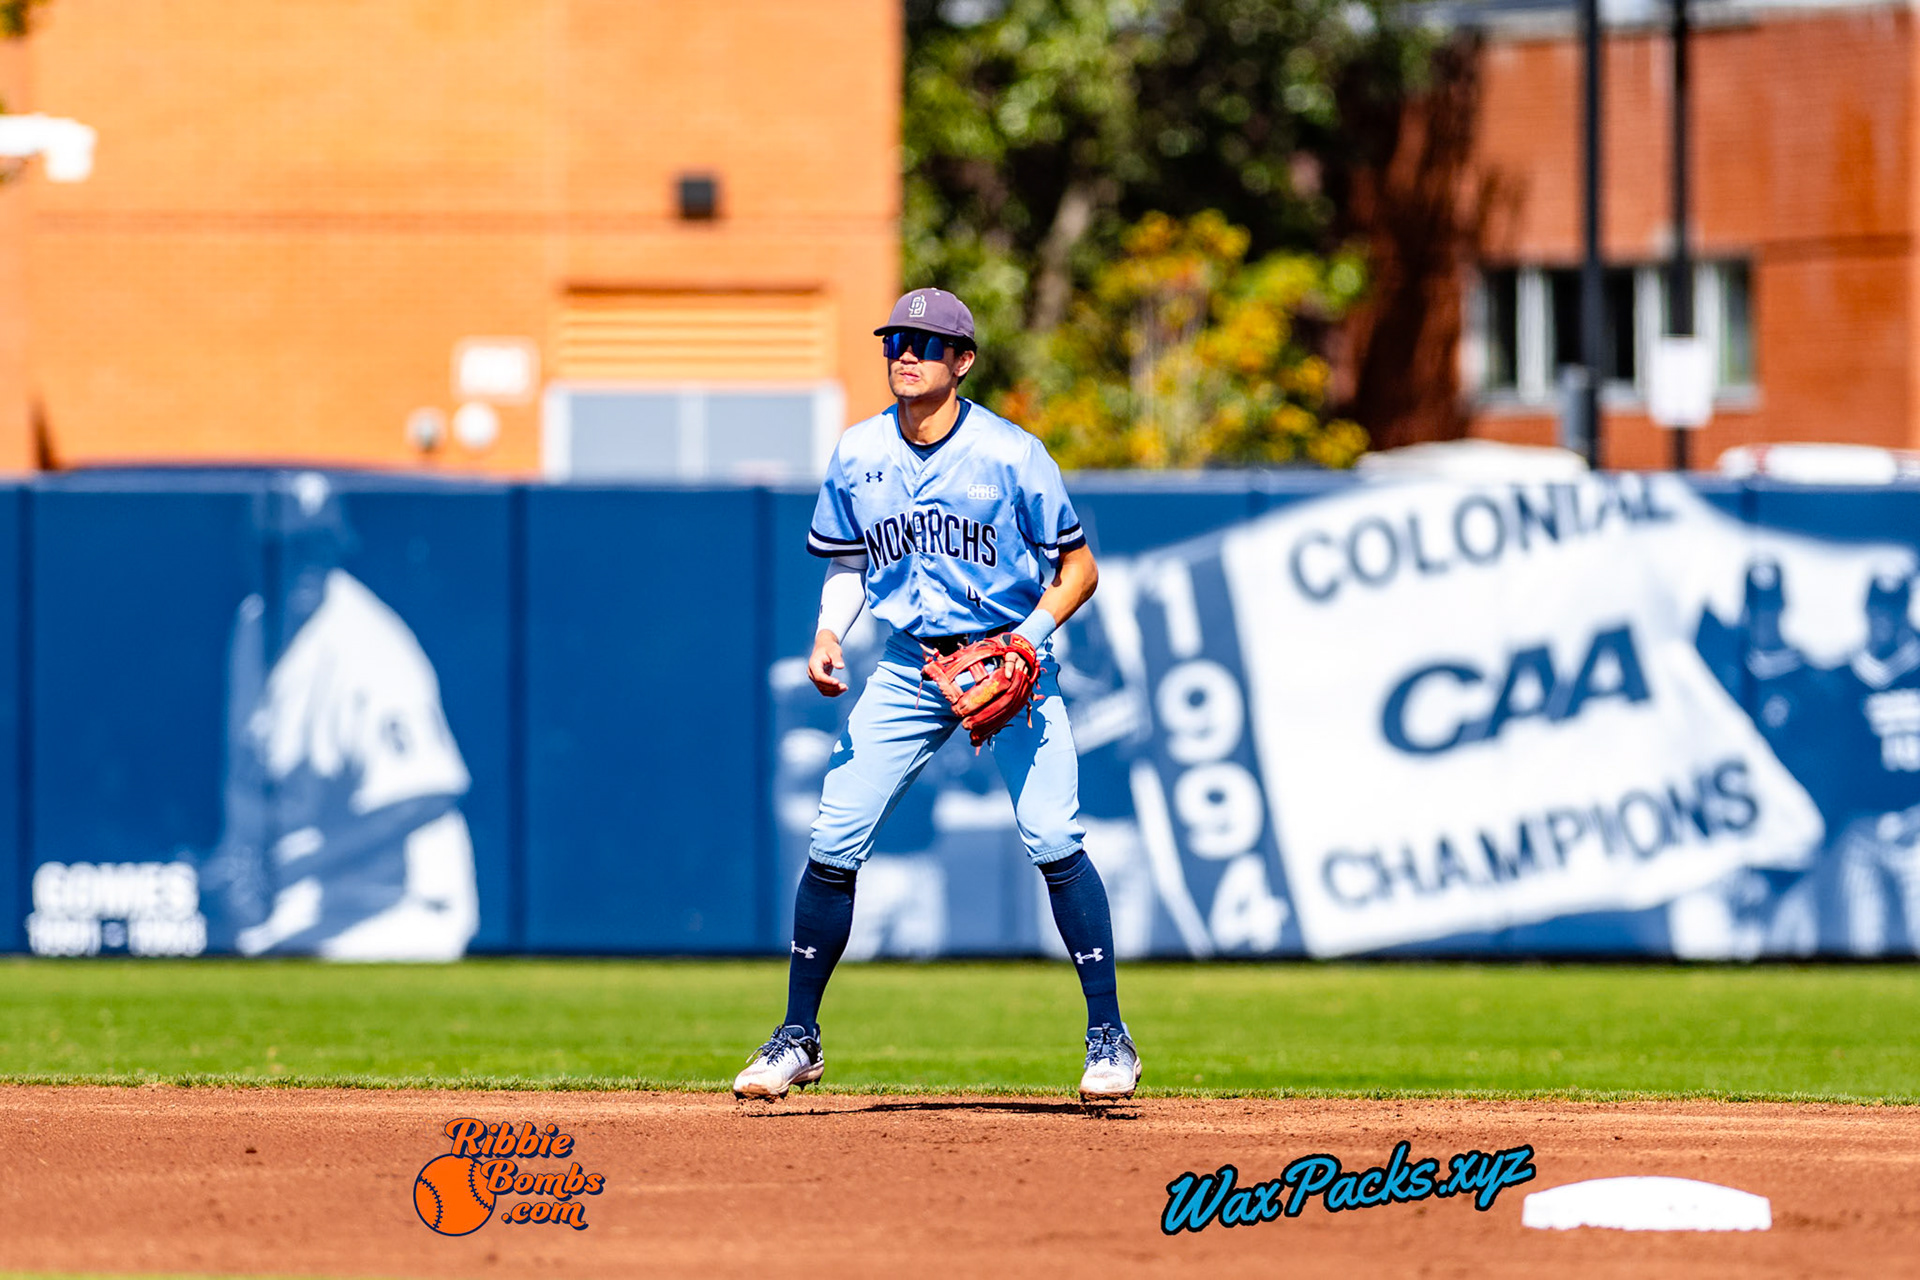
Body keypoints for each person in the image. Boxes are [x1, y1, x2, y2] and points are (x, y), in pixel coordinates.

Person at [733, 287, 1140, 1102]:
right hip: (908, 664)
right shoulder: (857, 453)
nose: (906, 355)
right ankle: (797, 1037)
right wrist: (825, 632)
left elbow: (1079, 569)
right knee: (833, 837)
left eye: (925, 343)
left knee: (1053, 835)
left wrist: (1029, 640)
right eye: (896, 342)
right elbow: (847, 563)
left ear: (963, 362)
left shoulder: (1012, 454)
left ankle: (1109, 1037)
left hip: (1010, 660)